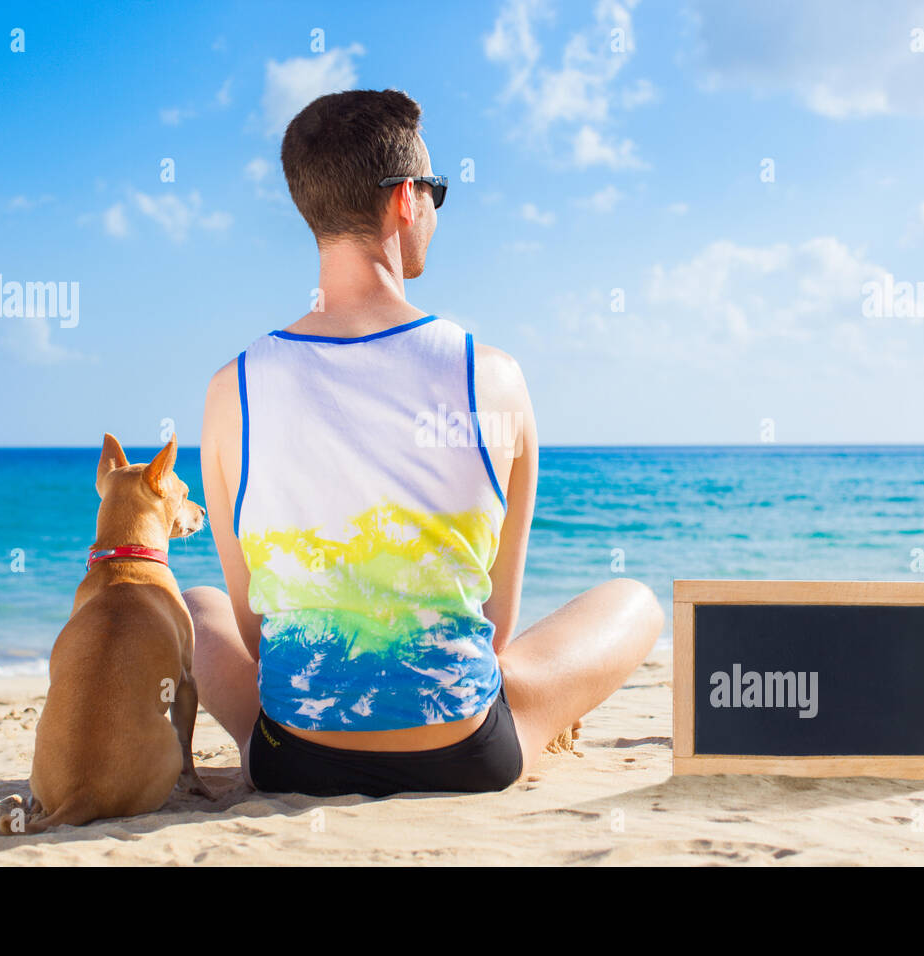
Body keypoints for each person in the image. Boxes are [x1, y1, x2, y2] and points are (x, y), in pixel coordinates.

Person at [184, 88, 663, 797]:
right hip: (468, 753)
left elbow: (257, 642)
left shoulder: (232, 390)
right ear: (406, 200)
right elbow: (495, 638)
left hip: (293, 758)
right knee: (637, 602)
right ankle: (534, 726)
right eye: (436, 191)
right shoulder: (494, 377)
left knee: (194, 604)